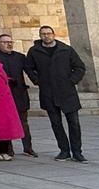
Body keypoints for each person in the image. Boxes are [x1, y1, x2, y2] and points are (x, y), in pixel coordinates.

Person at [26, 25, 87, 162]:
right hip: (48, 92)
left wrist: (72, 81)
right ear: (40, 35)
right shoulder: (34, 51)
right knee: (56, 124)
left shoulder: (66, 50)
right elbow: (29, 68)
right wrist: (37, 81)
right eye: (43, 34)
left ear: (53, 34)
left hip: (67, 92)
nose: (46, 36)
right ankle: (64, 150)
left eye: (48, 33)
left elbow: (79, 67)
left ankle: (77, 151)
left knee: (74, 124)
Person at [0, 33, 36, 157]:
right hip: (3, 95)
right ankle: (8, 149)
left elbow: (29, 71)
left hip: (19, 93)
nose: (9, 44)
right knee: (6, 122)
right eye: (5, 42)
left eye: (10, 42)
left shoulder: (20, 57)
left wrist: (38, 81)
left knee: (24, 122)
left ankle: (28, 148)